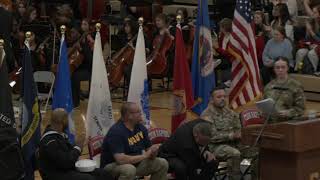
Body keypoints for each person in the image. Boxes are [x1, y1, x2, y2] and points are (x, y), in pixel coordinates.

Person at [38, 108, 113, 180]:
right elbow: (66, 162)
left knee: (103, 174)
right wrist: (78, 147)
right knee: (88, 179)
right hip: (56, 174)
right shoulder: (50, 141)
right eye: (67, 119)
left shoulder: (59, 135)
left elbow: (66, 153)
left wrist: (77, 144)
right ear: (63, 121)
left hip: (65, 169)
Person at [101, 102, 168, 180]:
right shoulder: (116, 132)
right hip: (112, 166)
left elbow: (150, 153)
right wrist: (144, 156)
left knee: (162, 163)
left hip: (135, 163)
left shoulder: (140, 127)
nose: (141, 114)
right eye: (138, 112)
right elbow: (120, 160)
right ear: (129, 115)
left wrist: (154, 151)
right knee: (129, 170)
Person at [200, 87, 242, 180]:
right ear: (211, 99)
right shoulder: (206, 115)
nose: (223, 99)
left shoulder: (230, 112)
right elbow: (212, 137)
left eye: (224, 96)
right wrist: (231, 136)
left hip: (233, 143)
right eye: (219, 97)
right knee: (234, 153)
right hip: (215, 147)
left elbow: (238, 129)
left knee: (258, 150)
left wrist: (241, 134)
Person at [263, 56, 306, 123]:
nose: (280, 70)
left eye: (283, 67)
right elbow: (264, 105)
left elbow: (301, 109)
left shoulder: (296, 86)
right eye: (277, 67)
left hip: (287, 123)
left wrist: (288, 112)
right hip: (269, 123)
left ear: (287, 68)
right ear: (274, 69)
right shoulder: (268, 86)